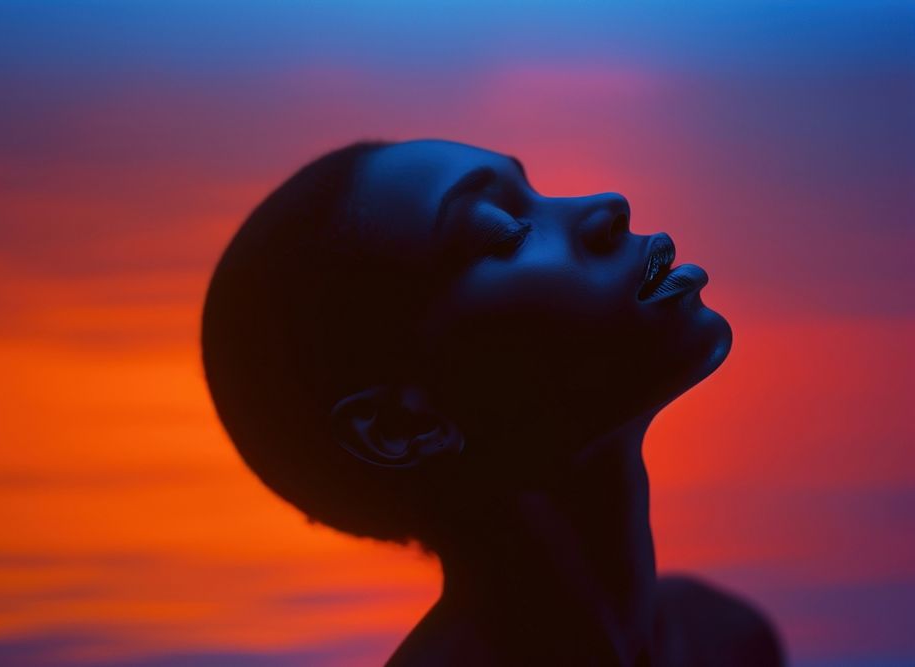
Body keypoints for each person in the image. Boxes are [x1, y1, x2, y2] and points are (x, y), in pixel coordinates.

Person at [201, 138, 784, 666]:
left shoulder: (727, 641)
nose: (607, 206)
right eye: (502, 230)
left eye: (536, 193)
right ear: (402, 424)